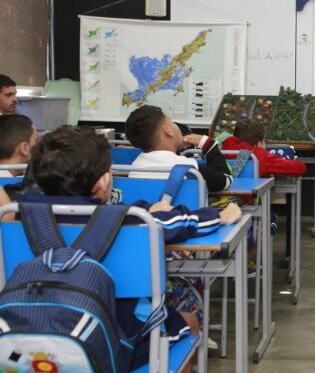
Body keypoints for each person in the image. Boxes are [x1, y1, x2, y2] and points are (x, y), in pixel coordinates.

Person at [17, 125, 242, 371]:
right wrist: (220, 216)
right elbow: (184, 222)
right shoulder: (132, 221)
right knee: (189, 324)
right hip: (119, 336)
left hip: (29, 331)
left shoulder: (16, 217)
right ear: (104, 181)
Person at [124, 105, 232, 192]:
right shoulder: (190, 168)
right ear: (168, 131)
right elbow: (225, 181)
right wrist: (209, 145)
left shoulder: (134, 168)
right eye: (172, 122)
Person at [221, 118, 307, 178]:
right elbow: (299, 168)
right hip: (246, 202)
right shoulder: (258, 155)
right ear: (259, 143)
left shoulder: (220, 151)